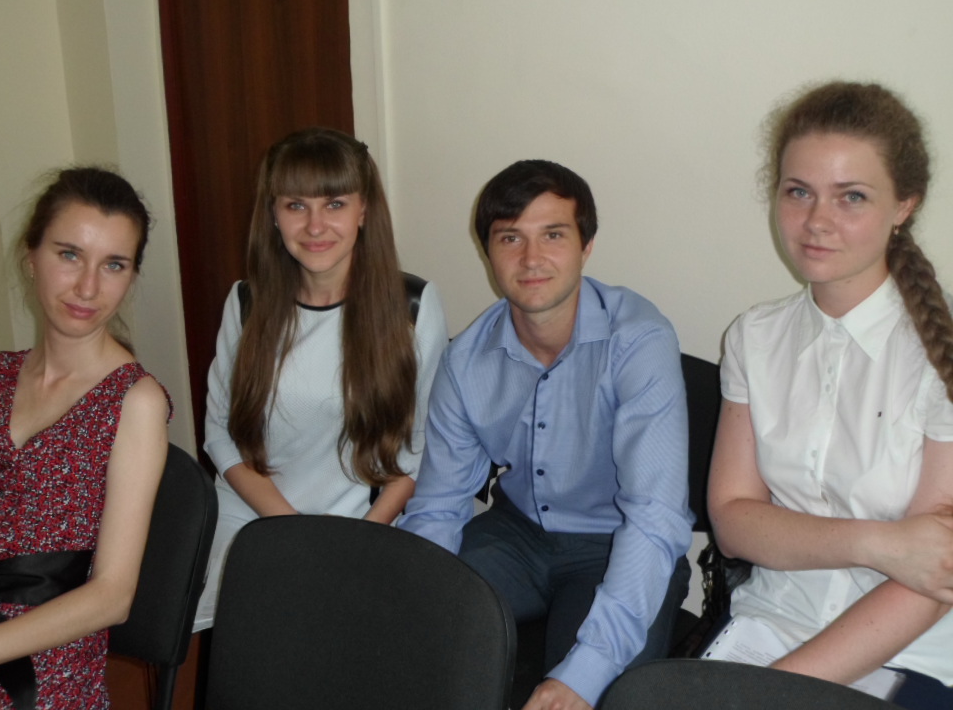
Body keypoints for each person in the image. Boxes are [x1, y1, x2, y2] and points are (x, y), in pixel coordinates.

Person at [399, 160, 693, 710]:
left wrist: (583, 673)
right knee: (400, 637)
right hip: (515, 537)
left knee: (593, 694)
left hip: (615, 541)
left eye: (553, 235)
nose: (531, 259)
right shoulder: (466, 361)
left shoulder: (638, 341)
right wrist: (416, 608)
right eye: (510, 238)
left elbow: (655, 517)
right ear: (488, 253)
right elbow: (438, 508)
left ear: (587, 246)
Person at [707, 81, 953, 710]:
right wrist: (880, 543)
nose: (817, 221)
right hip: (769, 623)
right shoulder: (754, 337)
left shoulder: (941, 354)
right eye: (799, 192)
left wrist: (773, 692)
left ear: (904, 206)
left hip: (911, 654)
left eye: (852, 197)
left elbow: (934, 573)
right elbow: (732, 521)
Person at [0, 167, 171, 709]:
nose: (88, 287)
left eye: (114, 264)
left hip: (40, 673)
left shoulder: (136, 402)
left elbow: (111, 597)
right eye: (69, 255)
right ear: (30, 256)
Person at [194, 127, 448, 630]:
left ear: (364, 210)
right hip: (253, 513)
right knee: (245, 639)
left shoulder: (413, 307)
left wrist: (356, 537)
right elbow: (219, 434)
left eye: (334, 204)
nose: (315, 226)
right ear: (273, 214)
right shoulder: (245, 302)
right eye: (295, 205)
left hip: (362, 523)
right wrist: (293, 530)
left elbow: (421, 451)